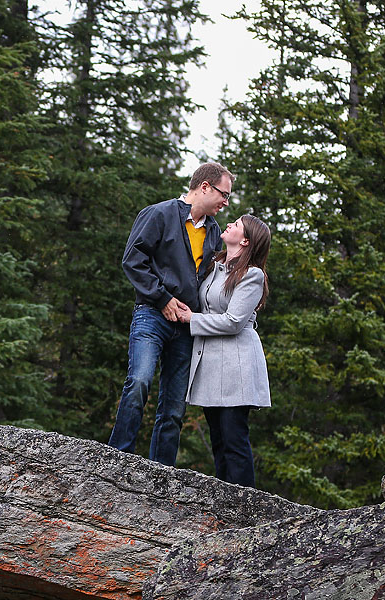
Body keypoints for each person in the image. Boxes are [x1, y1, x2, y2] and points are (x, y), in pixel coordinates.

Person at [108, 162, 232, 466]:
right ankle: (116, 458)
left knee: (174, 407)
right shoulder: (159, 213)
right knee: (139, 381)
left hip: (187, 327)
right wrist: (163, 298)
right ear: (205, 187)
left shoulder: (214, 232)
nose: (226, 202)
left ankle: (161, 472)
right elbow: (133, 261)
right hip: (152, 315)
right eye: (224, 194)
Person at [177, 214, 271, 487]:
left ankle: (245, 510)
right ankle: (224, 507)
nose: (229, 224)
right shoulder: (215, 267)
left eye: (237, 224)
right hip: (210, 363)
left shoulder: (252, 275)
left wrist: (190, 319)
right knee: (218, 440)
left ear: (245, 240)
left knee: (234, 439)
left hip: (236, 364)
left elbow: (233, 322)